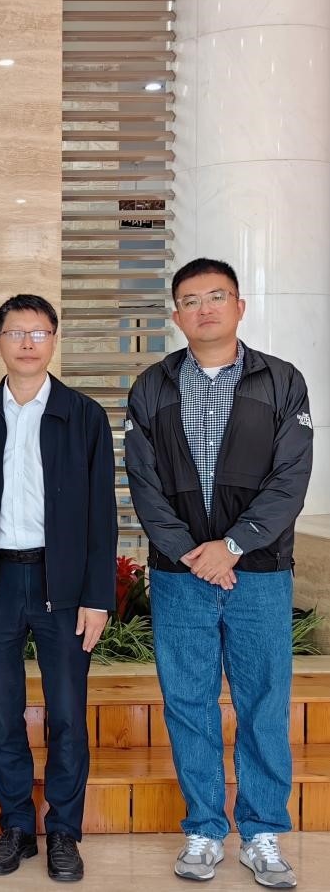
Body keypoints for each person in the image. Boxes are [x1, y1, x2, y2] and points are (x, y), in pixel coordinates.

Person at [125, 258, 313, 889]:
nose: (204, 309)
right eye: (191, 300)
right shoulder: (151, 386)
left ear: (239, 306)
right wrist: (191, 553)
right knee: (188, 703)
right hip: (180, 576)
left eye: (216, 296)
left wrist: (231, 546)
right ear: (176, 315)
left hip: (259, 573)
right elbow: (144, 485)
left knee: (264, 703)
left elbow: (290, 480)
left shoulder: (282, 381)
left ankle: (262, 833)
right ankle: (204, 830)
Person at [0, 294, 116, 883]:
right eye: (15, 332)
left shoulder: (83, 416)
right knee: (3, 714)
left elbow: (102, 515)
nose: (27, 342)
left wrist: (98, 596)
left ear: (54, 340)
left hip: (65, 586)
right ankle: (17, 829)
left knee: (68, 715)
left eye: (39, 332)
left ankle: (65, 832)